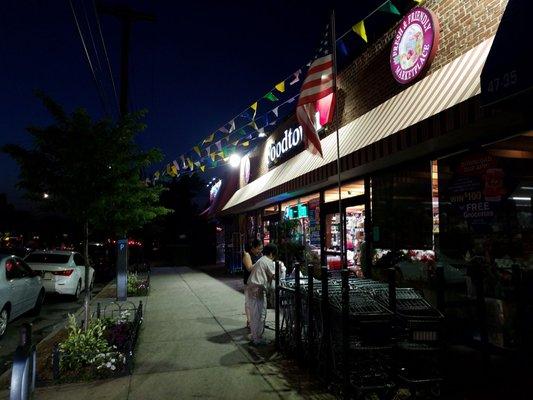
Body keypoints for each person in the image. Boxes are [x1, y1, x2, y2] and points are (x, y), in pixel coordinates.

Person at [245, 243, 278, 346]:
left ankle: (255, 337)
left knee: (255, 315)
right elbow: (275, 276)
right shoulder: (268, 261)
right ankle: (257, 339)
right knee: (260, 315)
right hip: (258, 291)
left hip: (252, 289)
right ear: (272, 253)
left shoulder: (261, 260)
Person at [242, 239, 263, 329]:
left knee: (256, 303)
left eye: (261, 249)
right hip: (249, 282)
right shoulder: (247, 255)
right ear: (253, 248)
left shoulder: (260, 255)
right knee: (248, 303)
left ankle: (255, 321)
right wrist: (260, 262)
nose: (260, 251)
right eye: (258, 249)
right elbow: (249, 268)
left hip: (258, 282)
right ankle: (249, 321)